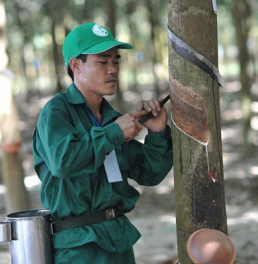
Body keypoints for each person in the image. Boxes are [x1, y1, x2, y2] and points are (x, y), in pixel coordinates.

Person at [32, 22, 173, 263]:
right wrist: (113, 133)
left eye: (116, 61)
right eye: (102, 61)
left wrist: (157, 133)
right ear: (75, 65)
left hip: (118, 240)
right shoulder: (57, 111)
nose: (113, 69)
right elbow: (64, 163)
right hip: (78, 247)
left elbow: (148, 174)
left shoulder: (112, 118)